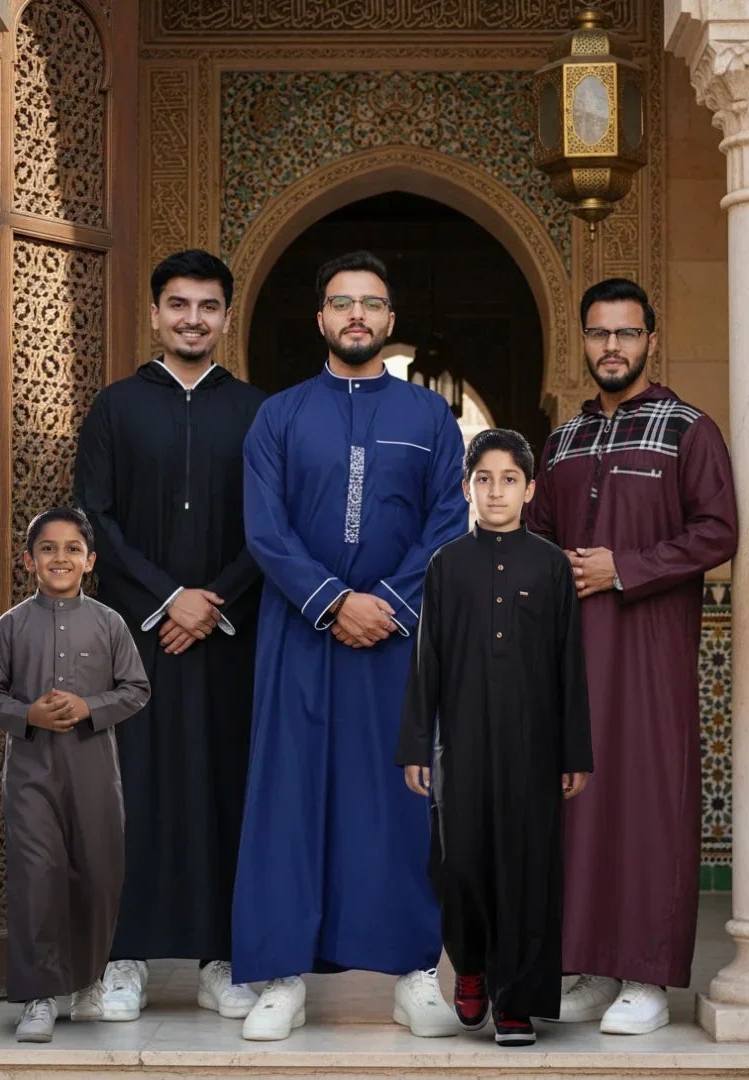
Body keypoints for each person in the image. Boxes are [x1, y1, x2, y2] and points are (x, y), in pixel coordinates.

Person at [230, 250, 469, 1041]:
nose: (357, 316)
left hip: (397, 644)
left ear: (390, 322)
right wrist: (333, 603)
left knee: (397, 802)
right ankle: (281, 976)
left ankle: (410, 974)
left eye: (371, 303)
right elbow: (265, 529)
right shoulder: (281, 416)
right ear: (322, 319)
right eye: (342, 303)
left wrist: (389, 607)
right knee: (287, 799)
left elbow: (446, 525)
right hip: (299, 637)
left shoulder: (430, 420)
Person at [528, 278, 738, 1035]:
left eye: (625, 333)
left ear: (651, 338)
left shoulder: (688, 430)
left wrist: (626, 569)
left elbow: (718, 531)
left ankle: (647, 976)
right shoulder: (562, 442)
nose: (610, 347)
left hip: (649, 656)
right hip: (571, 660)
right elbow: (537, 539)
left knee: (649, 806)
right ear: (580, 342)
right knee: (578, 808)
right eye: (597, 334)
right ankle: (584, 964)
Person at [73, 250, 268, 1021]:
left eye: (208, 306)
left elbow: (274, 527)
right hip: (136, 639)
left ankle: (224, 958)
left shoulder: (257, 412)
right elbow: (96, 519)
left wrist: (214, 601)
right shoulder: (117, 408)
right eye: (179, 305)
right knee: (134, 794)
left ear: (226, 317)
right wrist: (168, 598)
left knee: (226, 788)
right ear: (155, 314)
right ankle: (123, 959)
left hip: (227, 637)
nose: (193, 318)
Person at [397, 428, 592, 1047]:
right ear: (467, 489)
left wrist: (574, 752)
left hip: (534, 749)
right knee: (462, 863)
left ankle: (517, 1001)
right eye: (485, 479)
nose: (497, 490)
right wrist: (414, 746)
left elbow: (570, 665)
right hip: (463, 744)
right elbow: (426, 659)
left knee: (528, 868)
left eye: (510, 479)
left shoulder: (552, 565)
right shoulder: (447, 565)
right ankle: (473, 964)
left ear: (530, 489)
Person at [0, 508, 152, 1044]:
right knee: (38, 878)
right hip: (31, 775)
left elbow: (137, 689)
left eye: (72, 548)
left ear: (90, 561)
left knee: (98, 876)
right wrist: (29, 715)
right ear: (29, 561)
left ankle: (88, 984)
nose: (60, 557)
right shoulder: (11, 625)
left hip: (95, 773)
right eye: (48, 549)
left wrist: (88, 706)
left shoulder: (110, 623)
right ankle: (38, 997)